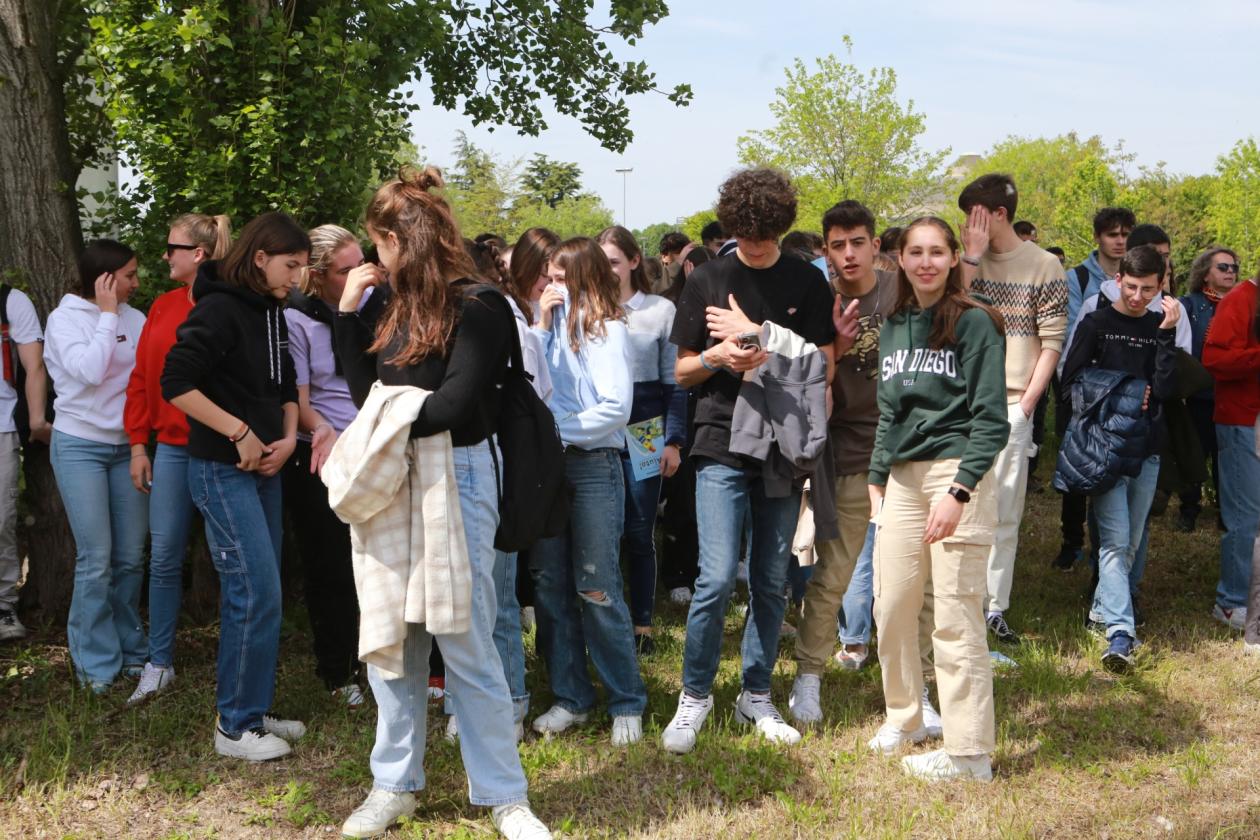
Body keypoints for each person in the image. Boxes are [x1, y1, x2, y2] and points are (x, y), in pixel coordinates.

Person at [333, 168, 550, 839]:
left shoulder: (479, 305)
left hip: (459, 474)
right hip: (395, 474)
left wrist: (384, 421)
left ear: (401, 239)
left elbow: (453, 406)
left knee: (466, 637)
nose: (375, 258)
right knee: (394, 640)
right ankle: (393, 785)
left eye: (379, 243)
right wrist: (346, 313)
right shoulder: (389, 306)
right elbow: (365, 391)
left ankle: (505, 795)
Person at [663, 167, 836, 754]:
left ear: (783, 228)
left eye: (766, 237)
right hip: (718, 441)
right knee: (714, 578)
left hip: (783, 445)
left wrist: (763, 345)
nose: (756, 247)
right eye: (745, 236)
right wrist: (717, 356)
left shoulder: (807, 281)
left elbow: (824, 364)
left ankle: (755, 693)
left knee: (768, 578)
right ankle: (695, 695)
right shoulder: (708, 278)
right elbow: (681, 371)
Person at [866, 216, 1009, 782]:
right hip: (902, 479)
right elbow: (890, 411)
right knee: (892, 605)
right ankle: (906, 718)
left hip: (957, 471)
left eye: (936, 252)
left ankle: (969, 754)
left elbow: (991, 419)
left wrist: (960, 490)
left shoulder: (975, 322)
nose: (925, 262)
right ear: (900, 259)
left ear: (954, 258)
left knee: (954, 614)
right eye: (915, 252)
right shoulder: (894, 324)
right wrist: (877, 477)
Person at [161, 212, 307, 760]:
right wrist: (239, 432)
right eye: (291, 265)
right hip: (221, 470)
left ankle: (252, 707)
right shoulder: (220, 308)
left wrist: (287, 438)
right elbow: (176, 382)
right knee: (254, 591)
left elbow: (285, 384)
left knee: (265, 592)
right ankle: (234, 727)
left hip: (266, 469)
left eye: (303, 266)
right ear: (261, 258)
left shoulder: (272, 309)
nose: (297, 276)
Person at [528, 236, 647, 745]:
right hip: (548, 468)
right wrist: (539, 325)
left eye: (561, 279)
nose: (552, 287)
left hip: (593, 465)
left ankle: (626, 700)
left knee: (597, 586)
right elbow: (528, 385)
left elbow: (617, 408)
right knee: (550, 586)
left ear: (584, 279)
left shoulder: (608, 330)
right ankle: (572, 697)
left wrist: (557, 432)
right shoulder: (546, 325)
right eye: (549, 279)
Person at [789, 200, 897, 722]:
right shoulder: (817, 301)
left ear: (875, 245)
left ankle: (917, 682)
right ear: (825, 251)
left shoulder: (903, 292)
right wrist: (837, 345)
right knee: (833, 574)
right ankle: (808, 676)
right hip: (849, 452)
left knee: (912, 582)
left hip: (908, 454)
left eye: (858, 242)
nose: (849, 254)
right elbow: (809, 386)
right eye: (838, 245)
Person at [124, 212, 232, 703]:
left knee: (231, 560)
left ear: (199, 254)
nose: (165, 255)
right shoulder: (163, 306)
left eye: (173, 248)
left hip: (223, 449)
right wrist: (138, 444)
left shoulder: (228, 304)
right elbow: (141, 379)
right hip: (170, 449)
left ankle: (236, 663)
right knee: (164, 557)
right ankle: (159, 662)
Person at [1059, 246, 1181, 670]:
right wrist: (1124, 393)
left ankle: (1100, 611)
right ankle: (1120, 634)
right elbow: (1069, 383)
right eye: (1131, 287)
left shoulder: (1159, 324)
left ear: (1161, 286)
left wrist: (1166, 334)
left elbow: (1165, 390)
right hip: (1104, 448)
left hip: (1147, 447)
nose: (1137, 296)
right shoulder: (1096, 323)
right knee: (1114, 540)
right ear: (1117, 280)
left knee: (1133, 539)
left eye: (1148, 289)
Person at [958, 174, 1067, 644]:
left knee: (1004, 509)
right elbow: (949, 313)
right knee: (960, 503)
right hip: (963, 401)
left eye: (974, 215)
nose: (967, 225)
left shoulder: (1044, 265)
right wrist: (970, 257)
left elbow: (1052, 341)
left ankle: (994, 606)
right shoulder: (968, 262)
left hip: (1012, 401)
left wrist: (1026, 405)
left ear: (998, 214)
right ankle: (960, 600)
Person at [45, 240, 149, 691]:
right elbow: (89, 371)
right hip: (80, 445)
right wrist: (107, 315)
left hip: (129, 448)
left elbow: (146, 379)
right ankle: (96, 665)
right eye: (128, 275)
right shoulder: (64, 319)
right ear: (104, 279)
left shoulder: (136, 318)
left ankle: (133, 652)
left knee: (130, 558)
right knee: (96, 559)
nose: (136, 283)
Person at [283, 224, 366, 706]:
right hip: (322, 451)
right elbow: (297, 400)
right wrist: (325, 431)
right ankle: (338, 670)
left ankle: (387, 659)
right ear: (316, 275)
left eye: (362, 265)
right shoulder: (297, 318)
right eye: (345, 270)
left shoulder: (372, 306)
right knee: (331, 566)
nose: (359, 276)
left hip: (373, 448)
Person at [596, 225, 686, 656]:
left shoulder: (660, 310)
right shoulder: (586, 310)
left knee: (639, 528)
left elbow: (674, 382)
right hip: (597, 431)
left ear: (634, 261)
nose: (608, 270)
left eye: (614, 261)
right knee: (602, 531)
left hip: (646, 431)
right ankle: (605, 621)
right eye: (601, 262)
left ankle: (642, 625)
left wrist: (673, 440)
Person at [1053, 207, 1136, 570]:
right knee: (1076, 463)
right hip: (1083, 384)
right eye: (1112, 234)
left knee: (1111, 468)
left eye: (1125, 234)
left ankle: (1103, 547)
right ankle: (1071, 540)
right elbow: (1071, 331)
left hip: (1124, 390)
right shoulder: (1078, 277)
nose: (1119, 241)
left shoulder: (1139, 276)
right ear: (1098, 237)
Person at [1202, 261, 1260, 637]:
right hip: (1242, 421)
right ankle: (1231, 602)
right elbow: (1214, 360)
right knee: (1246, 517)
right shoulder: (1240, 299)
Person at [0, 279, 50, 642]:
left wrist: (36, 419)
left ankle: (3, 604)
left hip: (1, 425)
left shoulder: (10, 300)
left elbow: (34, 366)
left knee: (1, 519)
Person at [1178, 247, 1240, 531]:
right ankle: (1188, 509)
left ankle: (1226, 512)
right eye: (1223, 267)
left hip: (1232, 394)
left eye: (1233, 268)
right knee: (1194, 452)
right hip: (1198, 395)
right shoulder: (1189, 305)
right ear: (1205, 273)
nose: (1230, 272)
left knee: (1228, 457)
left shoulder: (1244, 305)